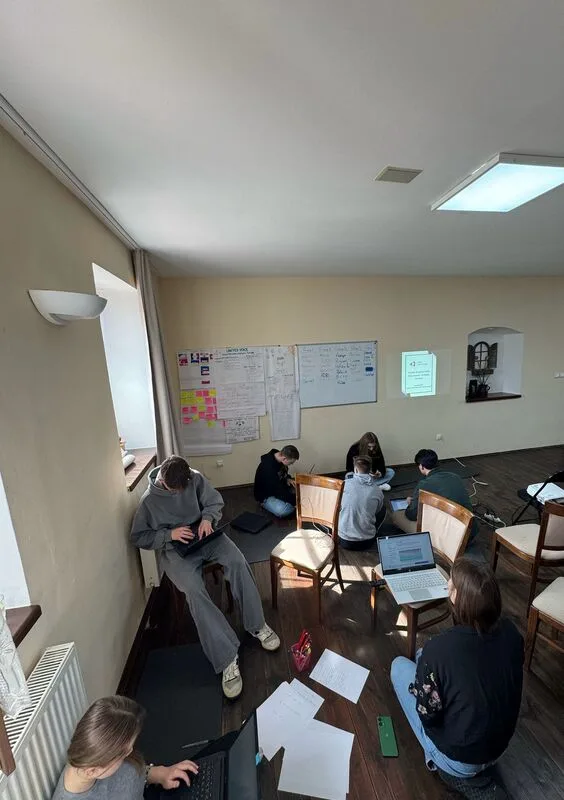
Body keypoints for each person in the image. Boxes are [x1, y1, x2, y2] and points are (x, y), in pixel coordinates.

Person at [131, 455, 280, 699]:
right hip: (176, 548)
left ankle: (257, 625)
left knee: (238, 562)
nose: (180, 494)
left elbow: (214, 502)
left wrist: (207, 519)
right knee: (193, 590)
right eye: (174, 491)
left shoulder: (195, 477)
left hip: (205, 535)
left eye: (183, 489)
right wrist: (170, 535)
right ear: (162, 481)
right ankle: (226, 658)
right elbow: (139, 537)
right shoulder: (148, 502)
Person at [390, 558, 523, 799]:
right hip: (500, 746)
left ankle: (447, 770)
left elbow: (428, 717)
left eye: (450, 585)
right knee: (423, 657)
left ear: (456, 598)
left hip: (461, 760)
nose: (447, 585)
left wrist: (421, 688)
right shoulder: (512, 633)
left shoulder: (439, 650)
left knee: (399, 666)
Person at [52, 695, 198, 798]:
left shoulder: (96, 756)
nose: (130, 752)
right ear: (93, 771)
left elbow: (129, 774)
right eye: (124, 753)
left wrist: (160, 774)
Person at [391, 449, 479, 540]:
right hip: (470, 532)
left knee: (397, 515)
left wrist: (410, 504)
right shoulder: (455, 476)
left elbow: (411, 515)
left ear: (421, 466)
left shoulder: (424, 484)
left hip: (451, 539)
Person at [338, 455, 386, 550]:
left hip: (343, 540)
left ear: (355, 469)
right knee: (383, 509)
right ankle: (370, 530)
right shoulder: (377, 490)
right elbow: (377, 511)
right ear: (370, 470)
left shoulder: (344, 484)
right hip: (367, 542)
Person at [253, 445, 299, 517]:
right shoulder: (268, 468)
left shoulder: (279, 457)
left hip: (278, 487)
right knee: (282, 510)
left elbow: (282, 473)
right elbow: (277, 490)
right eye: (291, 463)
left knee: (298, 490)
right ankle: (264, 504)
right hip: (266, 495)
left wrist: (288, 478)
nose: (291, 464)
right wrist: (296, 503)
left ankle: (291, 504)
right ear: (284, 459)